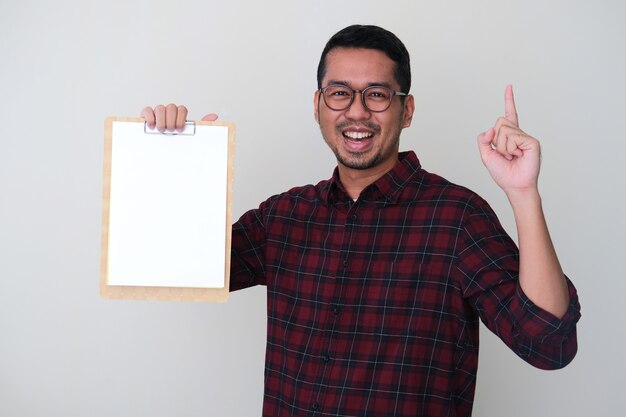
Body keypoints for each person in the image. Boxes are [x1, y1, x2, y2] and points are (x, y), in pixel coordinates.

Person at [142, 25, 580, 417]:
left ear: (406, 110)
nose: (356, 112)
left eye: (376, 94)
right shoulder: (284, 217)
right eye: (339, 93)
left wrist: (523, 194)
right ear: (318, 105)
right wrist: (177, 162)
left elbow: (548, 343)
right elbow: (176, 268)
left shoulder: (456, 218)